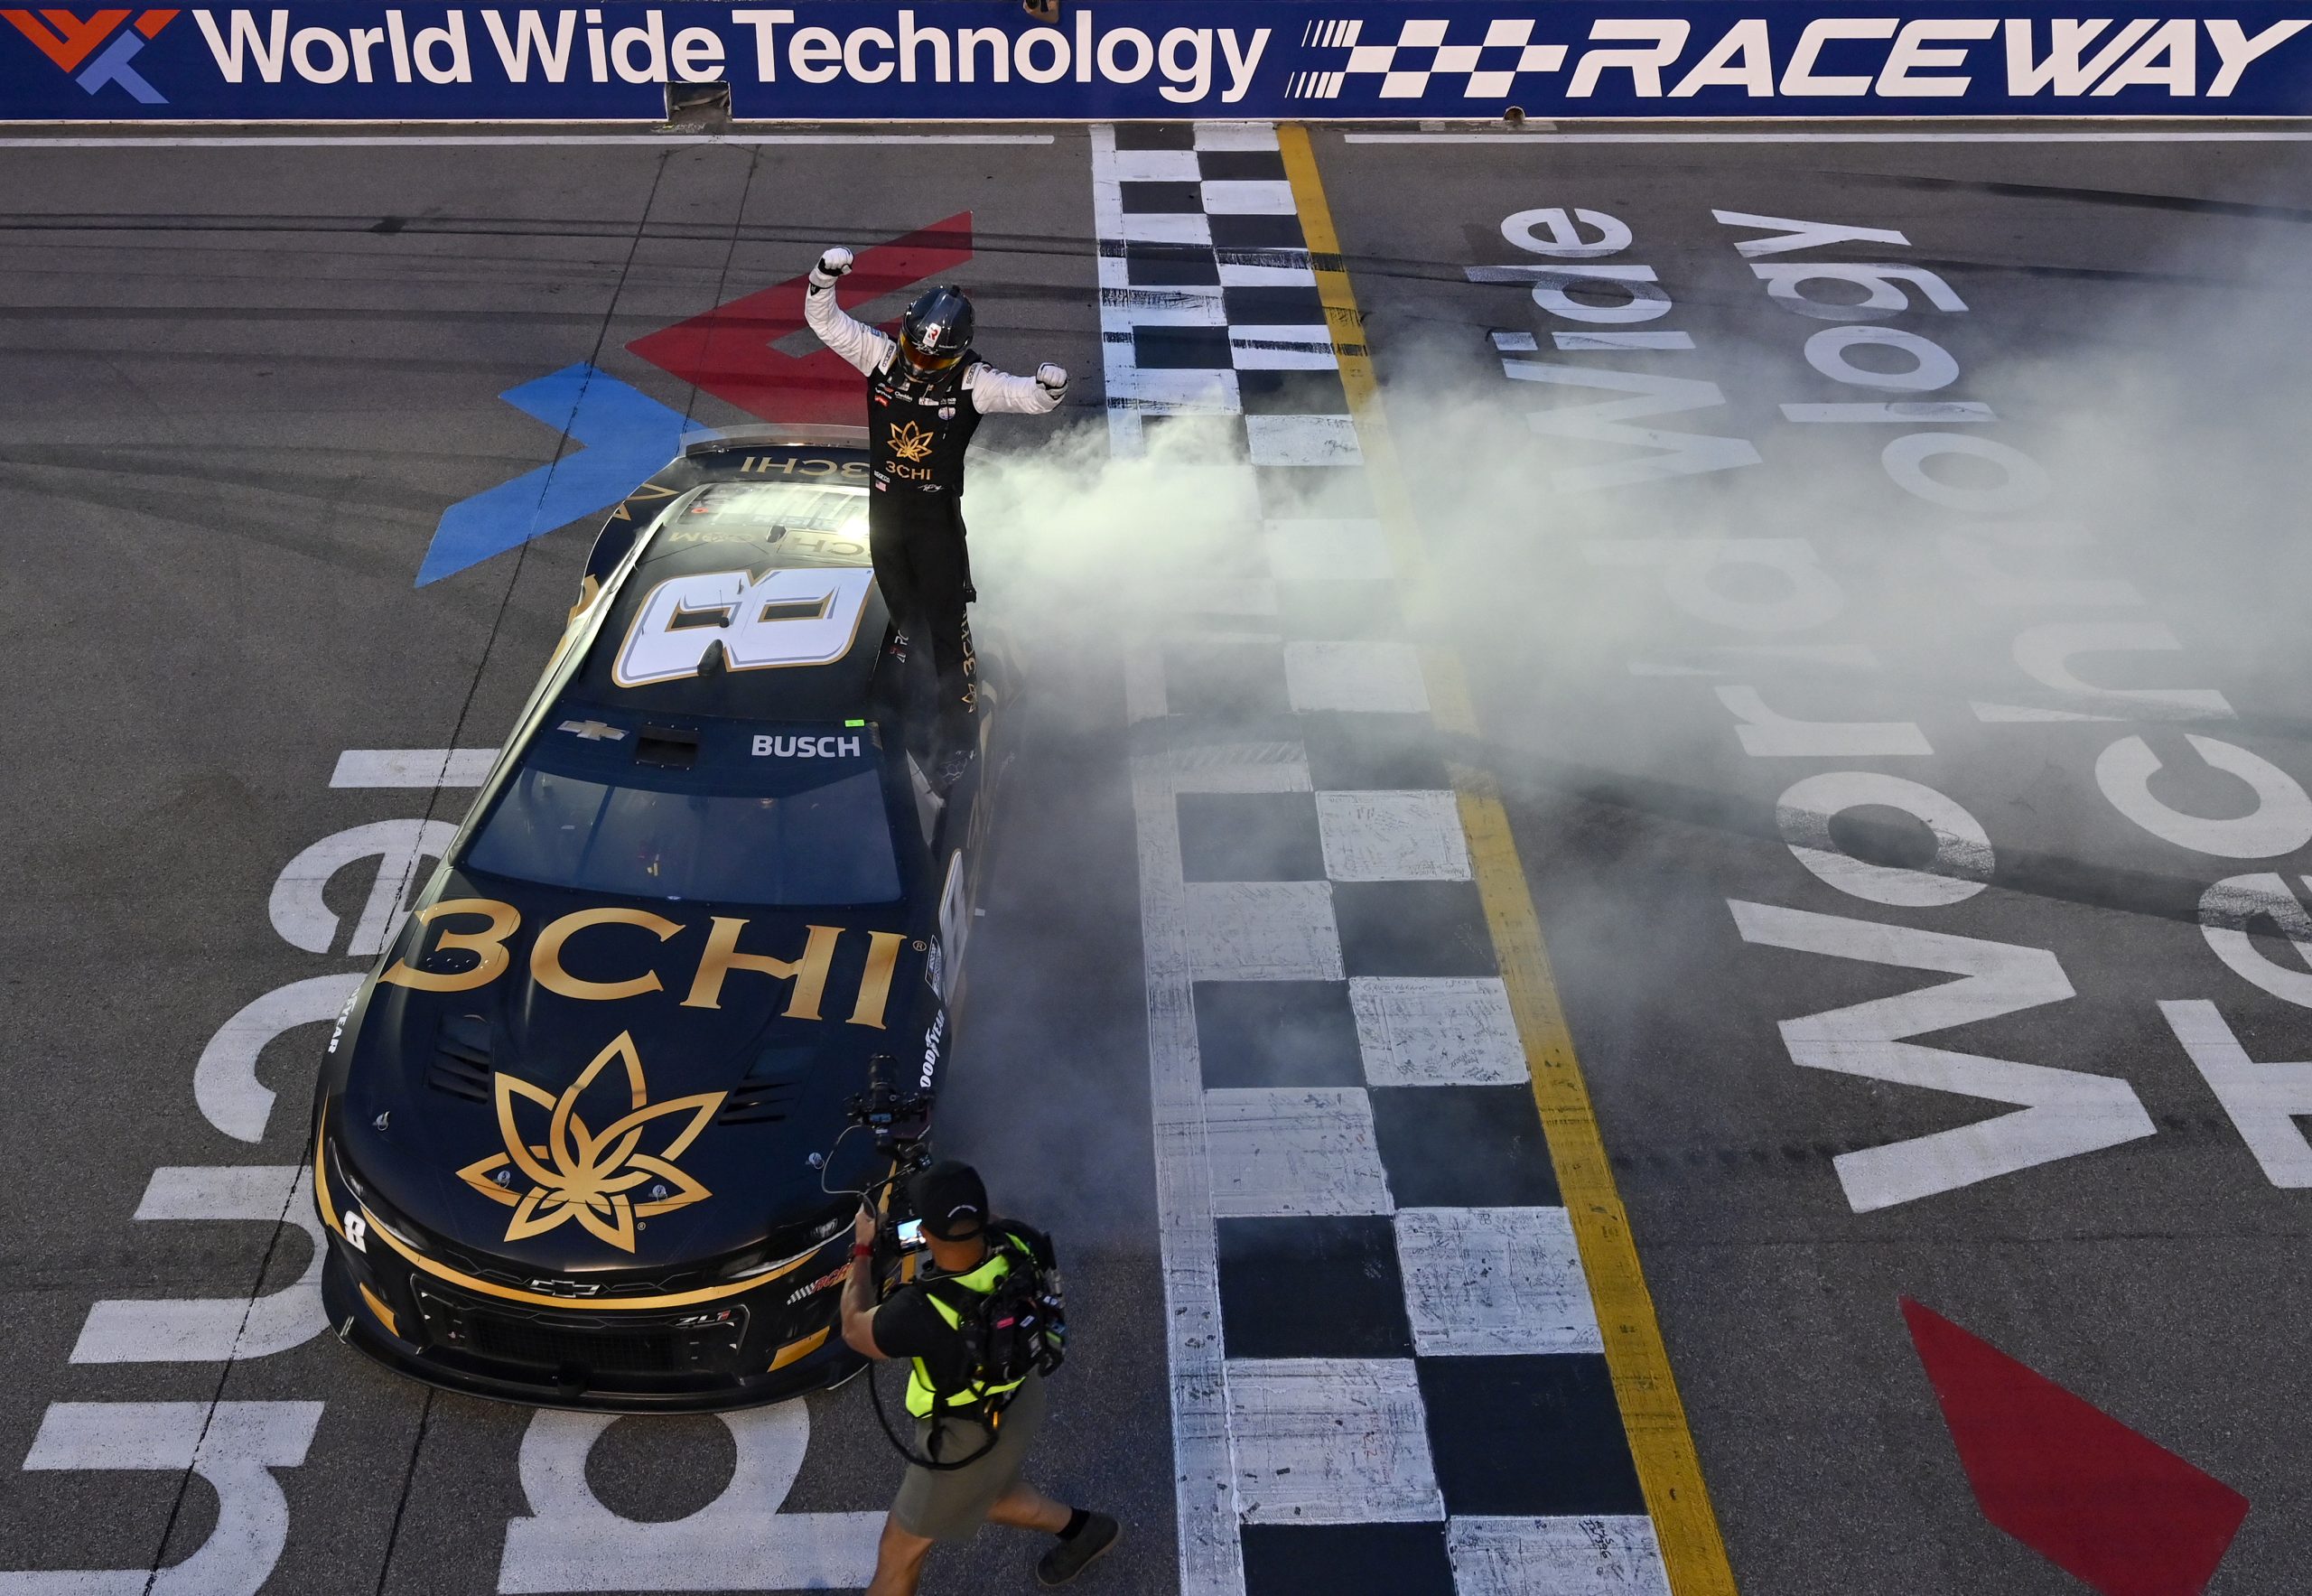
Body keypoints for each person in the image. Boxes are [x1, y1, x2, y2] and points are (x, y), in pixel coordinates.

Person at [804, 247, 1067, 786]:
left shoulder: (974, 380)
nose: (921, 366)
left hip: (935, 525)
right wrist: (824, 277)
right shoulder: (878, 354)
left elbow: (1028, 400)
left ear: (958, 353)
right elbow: (823, 321)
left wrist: (1049, 388)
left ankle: (960, 736)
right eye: (915, 355)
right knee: (904, 619)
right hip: (884, 517)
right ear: (903, 335)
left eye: (933, 361)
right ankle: (907, 696)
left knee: (950, 635)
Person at [841, 1160, 1121, 1592]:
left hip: (961, 1442)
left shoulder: (918, 1312)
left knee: (898, 1559)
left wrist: (861, 1250)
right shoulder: (1019, 1239)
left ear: (926, 1235)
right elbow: (992, 1221)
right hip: (1018, 1400)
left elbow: (854, 1329)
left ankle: (1085, 1530)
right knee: (988, 1496)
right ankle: (1086, 1532)